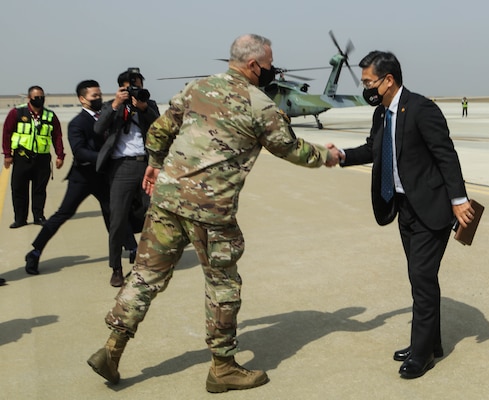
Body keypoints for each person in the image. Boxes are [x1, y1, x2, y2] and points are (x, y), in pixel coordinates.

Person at [87, 33, 339, 393]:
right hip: (210, 210)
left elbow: (159, 131)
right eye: (268, 65)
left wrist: (155, 165)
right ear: (254, 65)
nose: (270, 71)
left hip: (167, 200)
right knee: (223, 286)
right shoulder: (259, 103)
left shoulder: (196, 88)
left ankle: (111, 350)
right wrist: (327, 155)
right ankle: (222, 367)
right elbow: (290, 148)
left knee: (145, 276)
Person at [328, 51, 475, 379]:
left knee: (421, 278)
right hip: (403, 207)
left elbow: (445, 155)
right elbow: (371, 149)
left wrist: (459, 199)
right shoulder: (381, 113)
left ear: (388, 80)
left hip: (431, 207)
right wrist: (340, 156)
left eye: (368, 82)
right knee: (420, 278)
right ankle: (429, 343)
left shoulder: (422, 109)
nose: (365, 87)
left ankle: (421, 355)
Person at [23, 80, 135, 276]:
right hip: (82, 178)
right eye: (94, 96)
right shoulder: (77, 123)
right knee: (63, 214)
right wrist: (104, 157)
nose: (98, 98)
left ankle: (132, 248)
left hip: (103, 176)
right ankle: (35, 251)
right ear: (82, 99)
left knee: (115, 212)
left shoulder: (107, 115)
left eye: (100, 95)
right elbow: (79, 151)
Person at [94, 69, 160, 287]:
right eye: (130, 87)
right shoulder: (111, 106)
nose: (136, 91)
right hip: (121, 167)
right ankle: (116, 268)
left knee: (154, 217)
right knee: (117, 219)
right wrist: (115, 104)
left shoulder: (148, 105)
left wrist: (142, 107)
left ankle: (150, 263)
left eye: (139, 86)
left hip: (147, 165)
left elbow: (160, 127)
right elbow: (99, 127)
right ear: (121, 88)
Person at [2, 86, 65, 228]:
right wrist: (7, 154)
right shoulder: (17, 113)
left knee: (39, 190)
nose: (40, 100)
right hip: (22, 158)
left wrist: (60, 155)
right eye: (37, 97)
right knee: (19, 189)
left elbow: (57, 136)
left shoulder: (50, 115)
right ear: (29, 98)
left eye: (42, 97)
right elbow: (7, 133)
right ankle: (20, 219)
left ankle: (39, 216)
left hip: (42, 159)